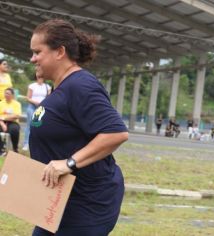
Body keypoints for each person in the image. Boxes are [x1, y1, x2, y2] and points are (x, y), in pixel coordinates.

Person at [29, 19, 129, 236]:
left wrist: (69, 163)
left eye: (38, 52)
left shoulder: (81, 85)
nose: (32, 58)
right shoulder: (61, 87)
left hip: (86, 205)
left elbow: (116, 132)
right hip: (57, 201)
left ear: (60, 52)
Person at [22, 75, 51, 151]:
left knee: (40, 125)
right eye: (39, 77)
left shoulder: (47, 87)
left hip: (42, 107)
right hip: (32, 106)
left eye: (41, 77)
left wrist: (43, 103)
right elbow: (27, 98)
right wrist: (35, 102)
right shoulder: (32, 86)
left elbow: (49, 97)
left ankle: (38, 144)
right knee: (30, 124)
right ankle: (26, 143)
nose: (40, 79)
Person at [0, 88, 21, 154]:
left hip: (13, 122)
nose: (6, 95)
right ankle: (1, 149)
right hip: (1, 122)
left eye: (8, 93)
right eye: (5, 93)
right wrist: (2, 124)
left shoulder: (17, 104)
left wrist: (4, 117)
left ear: (12, 95)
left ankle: (15, 148)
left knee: (14, 130)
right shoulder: (1, 103)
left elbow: (16, 116)